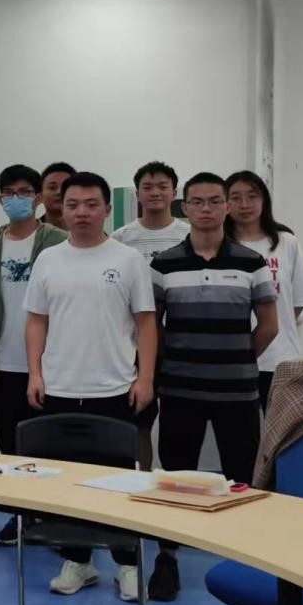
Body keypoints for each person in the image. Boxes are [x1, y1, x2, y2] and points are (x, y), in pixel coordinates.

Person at [23, 172, 156, 602]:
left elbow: (146, 323)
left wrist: (145, 378)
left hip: (114, 388)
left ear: (106, 209)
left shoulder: (128, 259)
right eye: (73, 204)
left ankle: (127, 564)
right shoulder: (48, 259)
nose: (81, 212)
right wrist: (35, 373)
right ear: (61, 209)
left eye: (91, 204)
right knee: (67, 483)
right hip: (59, 386)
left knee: (119, 482)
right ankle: (78, 561)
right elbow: (36, 320)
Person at [149, 171, 278, 602]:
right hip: (179, 390)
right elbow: (152, 328)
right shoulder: (164, 263)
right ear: (185, 208)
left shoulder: (251, 262)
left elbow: (270, 326)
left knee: (241, 477)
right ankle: (167, 557)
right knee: (175, 476)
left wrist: (236, 358)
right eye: (197, 201)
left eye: (215, 201)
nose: (206, 209)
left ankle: (244, 558)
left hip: (237, 391)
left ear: (226, 207)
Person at [0, 165, 66, 546]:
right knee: (10, 445)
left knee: (49, 445)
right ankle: (21, 514)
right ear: (0, 199)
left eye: (25, 192)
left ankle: (54, 516)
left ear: (38, 198)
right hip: (3, 361)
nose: (17, 199)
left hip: (49, 363)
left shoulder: (58, 240)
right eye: (9, 193)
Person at [110, 161, 189, 470]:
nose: (155, 192)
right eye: (147, 187)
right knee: (139, 421)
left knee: (177, 423)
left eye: (162, 186)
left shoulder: (188, 234)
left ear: (174, 193)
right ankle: (141, 479)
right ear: (137, 194)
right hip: (135, 342)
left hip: (179, 342)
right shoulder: (120, 237)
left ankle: (171, 483)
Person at [225, 169, 303, 412]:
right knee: (240, 432)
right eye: (236, 197)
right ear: (226, 203)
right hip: (233, 360)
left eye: (252, 196)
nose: (245, 204)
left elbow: (297, 302)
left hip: (279, 359)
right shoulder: (220, 246)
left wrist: (272, 329)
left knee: (282, 430)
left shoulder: (286, 241)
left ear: (264, 200)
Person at [39, 162, 76, 231]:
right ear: (40, 195)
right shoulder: (28, 232)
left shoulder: (94, 233)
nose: (59, 192)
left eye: (65, 187)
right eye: (52, 187)